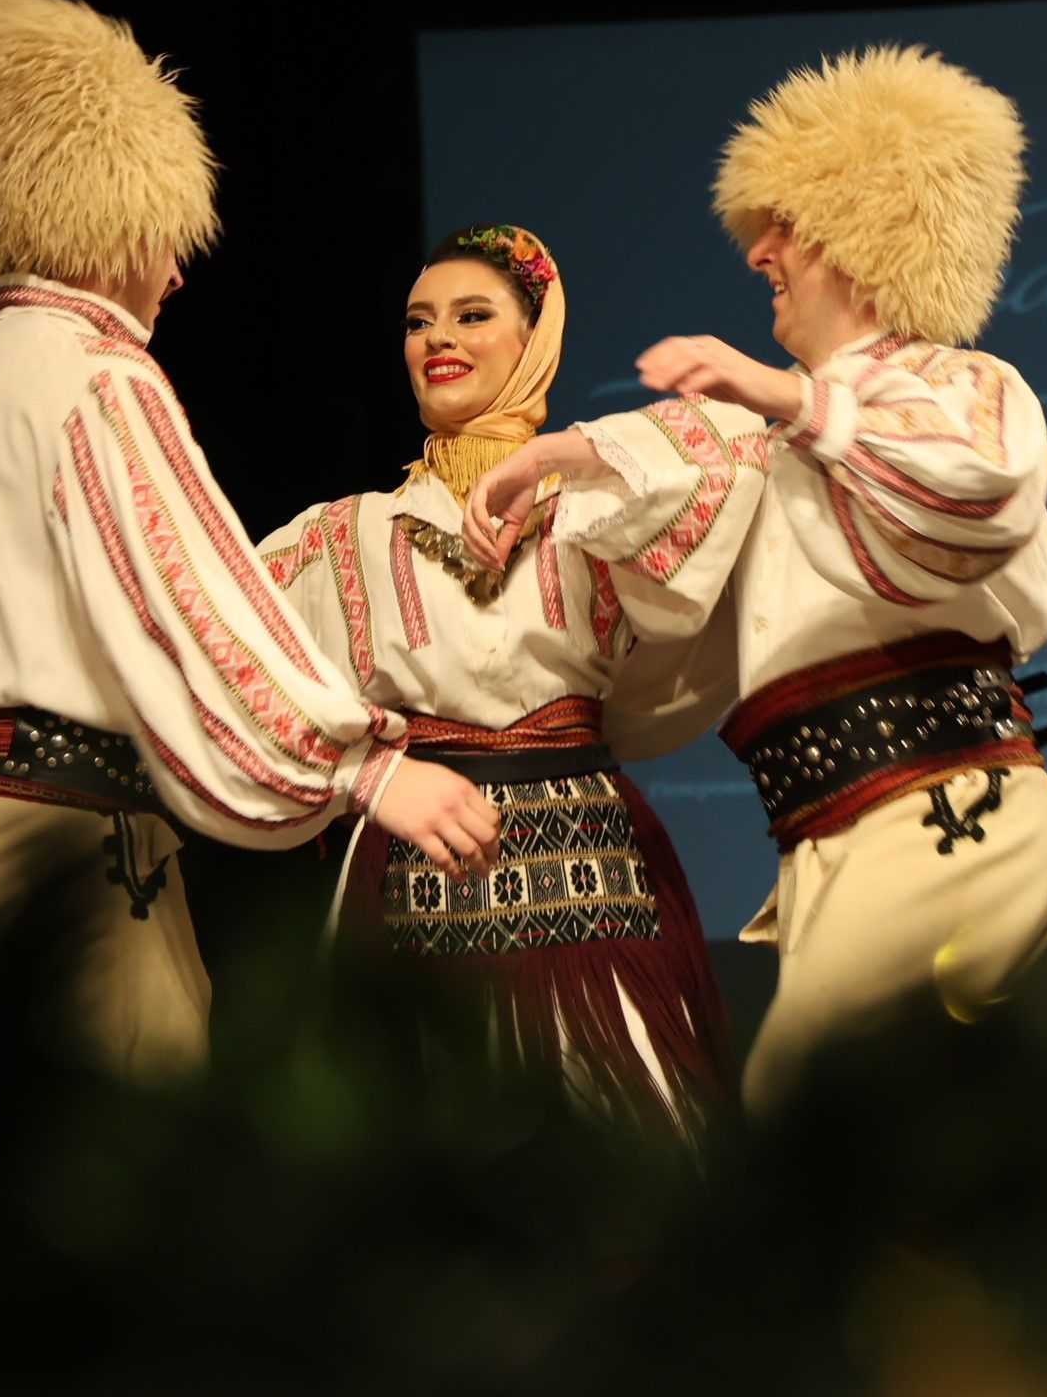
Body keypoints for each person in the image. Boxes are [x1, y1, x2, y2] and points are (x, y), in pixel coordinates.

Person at [0, 0, 499, 1079]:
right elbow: (187, 591)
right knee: (133, 1134)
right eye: (166, 238)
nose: (177, 272)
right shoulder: (98, 372)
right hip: (46, 827)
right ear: (116, 220)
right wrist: (365, 768)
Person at [465, 45, 1047, 1112]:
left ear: (864, 236)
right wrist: (556, 455)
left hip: (945, 805)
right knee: (891, 1130)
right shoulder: (775, 435)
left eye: (784, 228)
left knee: (808, 1106)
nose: (758, 255)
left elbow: (979, 485)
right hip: (840, 826)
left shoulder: (960, 385)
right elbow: (688, 451)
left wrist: (786, 397)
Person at [256, 224, 757, 1139]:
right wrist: (361, 773)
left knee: (626, 1154)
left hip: (590, 870)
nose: (438, 339)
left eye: (471, 316)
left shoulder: (599, 505)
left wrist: (548, 457)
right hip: (415, 864)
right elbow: (225, 665)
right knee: (422, 1152)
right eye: (418, 322)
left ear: (535, 340)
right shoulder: (344, 534)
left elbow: (740, 446)